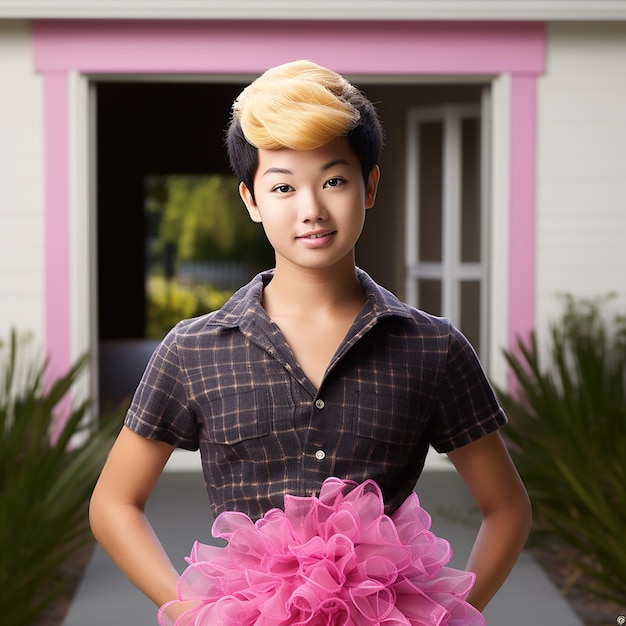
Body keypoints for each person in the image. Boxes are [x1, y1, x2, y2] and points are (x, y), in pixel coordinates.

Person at [89, 60, 532, 624]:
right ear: (251, 200)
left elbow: (508, 508)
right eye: (283, 186)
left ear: (369, 186)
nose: (312, 209)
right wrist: (190, 612)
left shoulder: (433, 348)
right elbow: (112, 504)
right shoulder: (192, 351)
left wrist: (449, 615)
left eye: (334, 180)